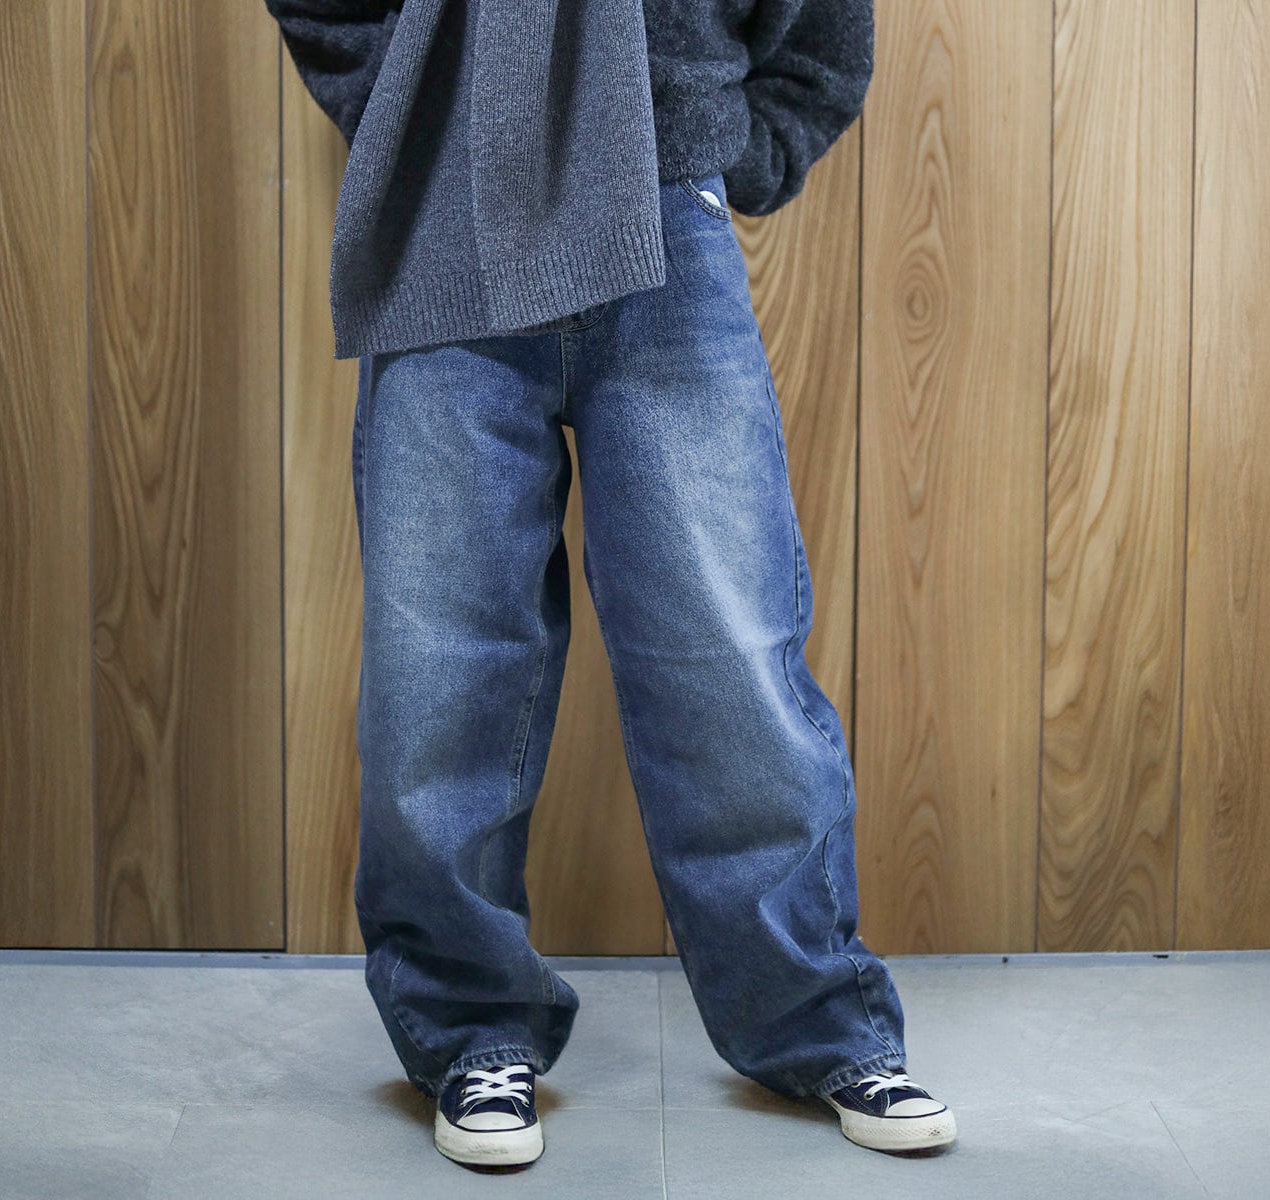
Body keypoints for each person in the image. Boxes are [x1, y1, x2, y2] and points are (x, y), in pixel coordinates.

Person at [267, 0, 957, 1167]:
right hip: (448, 208)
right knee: (439, 673)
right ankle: (470, 1032)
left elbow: (824, 31)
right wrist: (411, 102)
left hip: (669, 205)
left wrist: (727, 135)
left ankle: (820, 1027)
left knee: (728, 656)